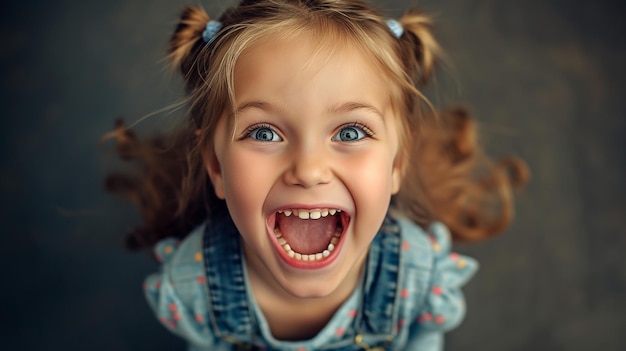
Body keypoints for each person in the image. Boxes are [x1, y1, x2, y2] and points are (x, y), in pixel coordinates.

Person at [104, 0, 527, 349]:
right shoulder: (193, 284)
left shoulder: (415, 276)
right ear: (215, 165)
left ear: (397, 162)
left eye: (350, 131)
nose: (308, 170)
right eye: (264, 132)